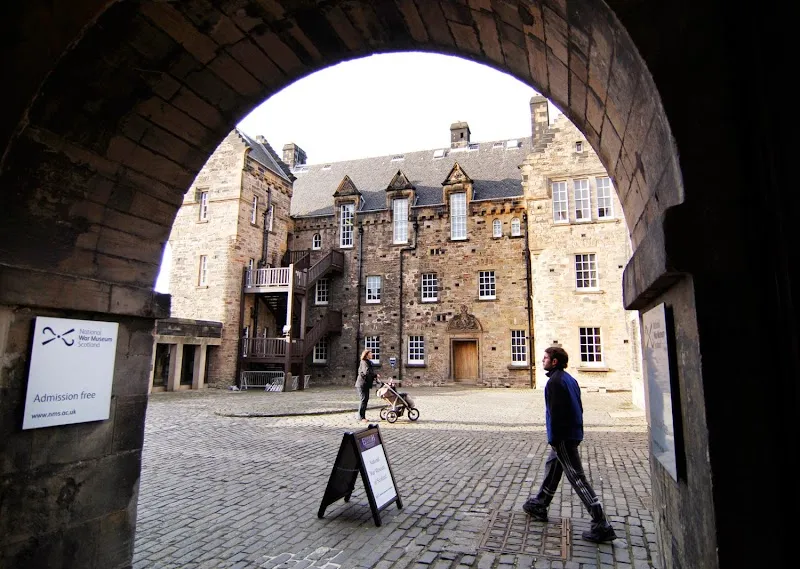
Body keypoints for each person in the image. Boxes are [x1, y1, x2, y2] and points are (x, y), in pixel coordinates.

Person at [523, 346, 617, 543]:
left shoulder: (554, 382)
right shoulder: (569, 379)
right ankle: (540, 503)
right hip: (571, 433)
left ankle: (601, 523)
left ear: (554, 361)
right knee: (553, 467)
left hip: (564, 437)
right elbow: (579, 407)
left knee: (577, 478)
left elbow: (556, 414)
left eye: (545, 358)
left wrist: (555, 440)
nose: (542, 361)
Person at [355, 349, 378, 423]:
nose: (372, 355)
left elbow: (369, 372)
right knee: (363, 400)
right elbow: (366, 372)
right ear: (367, 355)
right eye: (371, 353)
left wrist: (374, 376)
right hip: (362, 384)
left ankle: (362, 416)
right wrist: (375, 375)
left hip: (365, 384)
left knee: (365, 400)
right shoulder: (364, 362)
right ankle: (361, 417)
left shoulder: (367, 362)